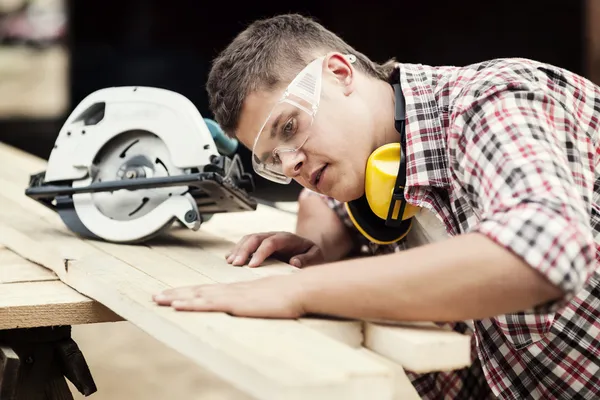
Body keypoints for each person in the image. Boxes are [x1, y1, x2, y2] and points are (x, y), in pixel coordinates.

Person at [152, 13, 600, 399]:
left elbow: (544, 250)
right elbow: (323, 200)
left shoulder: (493, 100)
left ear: (340, 74)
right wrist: (319, 242)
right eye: (272, 159)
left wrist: (300, 291)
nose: (291, 164)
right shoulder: (370, 158)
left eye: (289, 128)